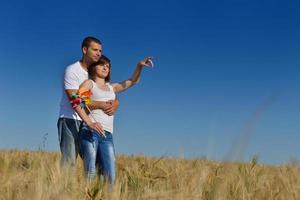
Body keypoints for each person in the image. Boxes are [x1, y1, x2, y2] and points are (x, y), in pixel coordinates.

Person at [74, 55, 153, 183]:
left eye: (108, 66)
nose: (106, 67)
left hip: (107, 135)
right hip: (91, 131)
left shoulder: (112, 88)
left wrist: (139, 66)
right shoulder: (90, 84)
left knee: (110, 176)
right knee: (90, 173)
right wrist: (100, 104)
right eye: (102, 64)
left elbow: (133, 81)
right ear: (94, 67)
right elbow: (78, 100)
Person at [57, 36, 119, 167]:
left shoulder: (96, 73)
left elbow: (109, 93)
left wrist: (116, 103)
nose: (99, 53)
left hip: (91, 123)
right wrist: (98, 110)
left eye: (100, 51)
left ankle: (94, 188)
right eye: (95, 50)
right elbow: (76, 101)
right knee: (69, 162)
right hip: (70, 119)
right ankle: (63, 187)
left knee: (98, 164)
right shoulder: (72, 70)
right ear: (85, 50)